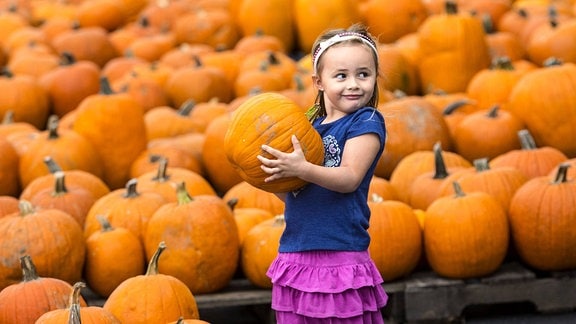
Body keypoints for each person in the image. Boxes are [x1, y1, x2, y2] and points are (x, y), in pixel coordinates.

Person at [257, 23, 388, 323]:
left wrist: (301, 168)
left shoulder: (366, 122)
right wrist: (268, 174)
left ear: (375, 78)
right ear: (319, 82)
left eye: (363, 74)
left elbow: (349, 177)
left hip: (339, 254)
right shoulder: (309, 130)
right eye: (341, 76)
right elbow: (297, 192)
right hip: (296, 253)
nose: (353, 84)